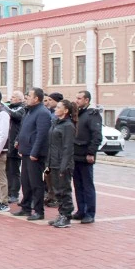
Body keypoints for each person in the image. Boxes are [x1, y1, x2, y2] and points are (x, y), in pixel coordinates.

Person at [12, 87, 51, 221]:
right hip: (25, 151)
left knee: (36, 183)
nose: (26, 97)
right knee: (26, 182)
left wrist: (35, 152)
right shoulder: (28, 111)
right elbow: (23, 129)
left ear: (36, 99)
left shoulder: (42, 113)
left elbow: (41, 135)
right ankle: (26, 207)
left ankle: (39, 211)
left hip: (34, 154)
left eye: (29, 95)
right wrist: (18, 141)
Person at [72, 90, 103, 224]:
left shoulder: (92, 115)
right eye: (76, 98)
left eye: (80, 98)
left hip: (85, 155)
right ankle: (81, 210)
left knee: (87, 185)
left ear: (87, 100)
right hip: (75, 154)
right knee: (77, 185)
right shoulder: (77, 114)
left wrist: (91, 152)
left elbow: (97, 136)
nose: (77, 100)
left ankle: (90, 213)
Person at [47, 99, 77, 228]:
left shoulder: (68, 126)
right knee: (57, 190)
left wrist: (63, 167)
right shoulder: (56, 123)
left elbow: (68, 148)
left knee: (64, 190)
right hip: (53, 162)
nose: (55, 109)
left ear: (65, 111)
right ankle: (61, 214)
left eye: (58, 107)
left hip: (62, 164)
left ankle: (66, 215)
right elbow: (51, 145)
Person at [2, 90, 25, 204]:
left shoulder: (22, 108)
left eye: (14, 97)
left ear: (20, 99)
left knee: (14, 170)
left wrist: (4, 107)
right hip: (7, 143)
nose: (11, 98)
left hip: (15, 145)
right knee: (7, 169)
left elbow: (15, 115)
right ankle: (8, 190)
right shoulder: (10, 107)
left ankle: (14, 193)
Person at [43, 92, 64, 208]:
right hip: (48, 150)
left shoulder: (59, 116)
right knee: (46, 174)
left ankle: (56, 197)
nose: (48, 102)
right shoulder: (50, 112)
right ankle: (50, 194)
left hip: (56, 152)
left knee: (55, 176)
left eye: (50, 100)